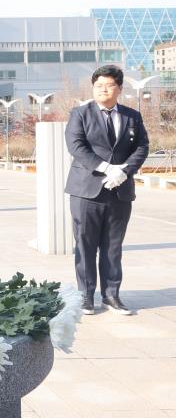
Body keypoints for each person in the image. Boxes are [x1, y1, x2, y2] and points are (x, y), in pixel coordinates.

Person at [65, 65, 149, 315]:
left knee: (113, 245)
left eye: (109, 85)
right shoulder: (80, 114)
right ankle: (86, 296)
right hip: (87, 190)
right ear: (93, 88)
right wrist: (105, 168)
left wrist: (124, 171)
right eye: (99, 85)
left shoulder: (132, 116)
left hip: (120, 190)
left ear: (119, 88)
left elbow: (142, 146)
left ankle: (112, 295)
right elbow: (76, 145)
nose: (103, 89)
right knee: (85, 244)